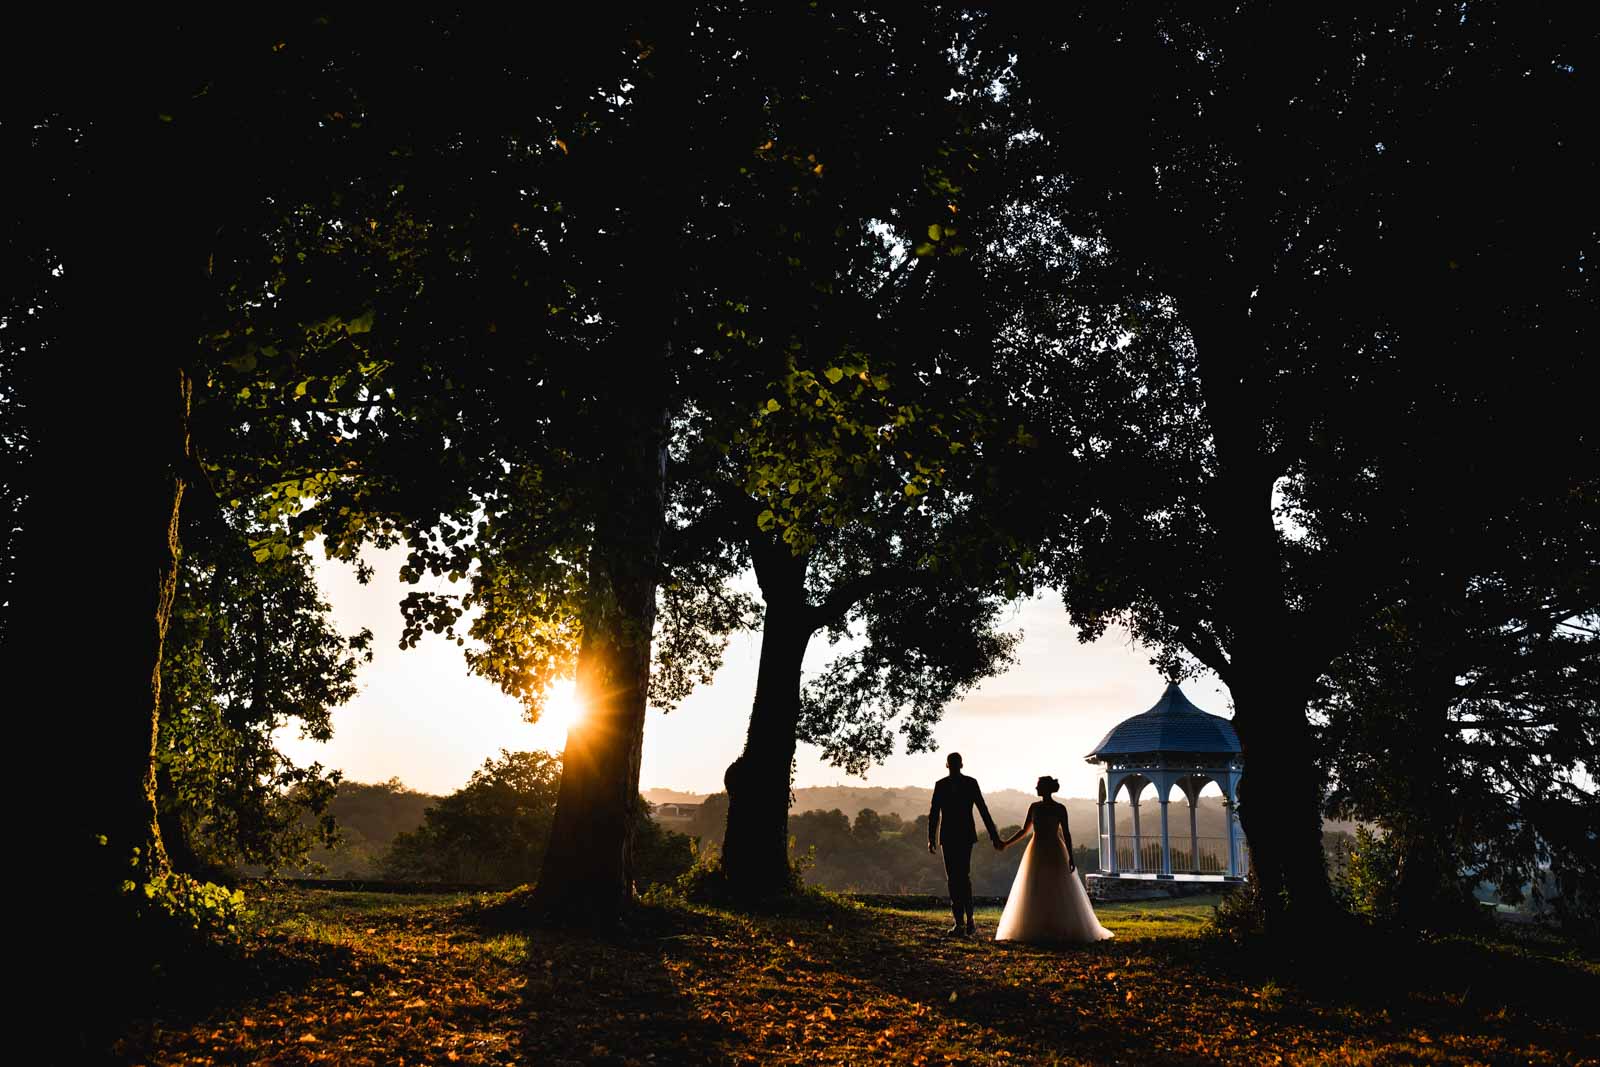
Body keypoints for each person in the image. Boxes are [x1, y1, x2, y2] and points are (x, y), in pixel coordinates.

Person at [994, 775, 1114, 943]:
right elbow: (1024, 830)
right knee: (1037, 886)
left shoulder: (1059, 808)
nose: (1036, 788)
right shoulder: (1036, 807)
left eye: (1038, 786)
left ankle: (1056, 926)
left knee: (1055, 886)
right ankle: (1039, 925)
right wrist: (1006, 843)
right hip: (1037, 850)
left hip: (1054, 850)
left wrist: (1071, 857)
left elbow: (1066, 833)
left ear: (1044, 788)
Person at [928, 752, 1001, 936]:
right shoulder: (970, 783)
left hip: (951, 837)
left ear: (947, 765)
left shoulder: (941, 785)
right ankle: (968, 920)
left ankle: (961, 922)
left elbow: (934, 814)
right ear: (961, 765)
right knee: (962, 878)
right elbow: (983, 810)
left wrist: (931, 838)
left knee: (954, 879)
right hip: (964, 836)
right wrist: (994, 836)